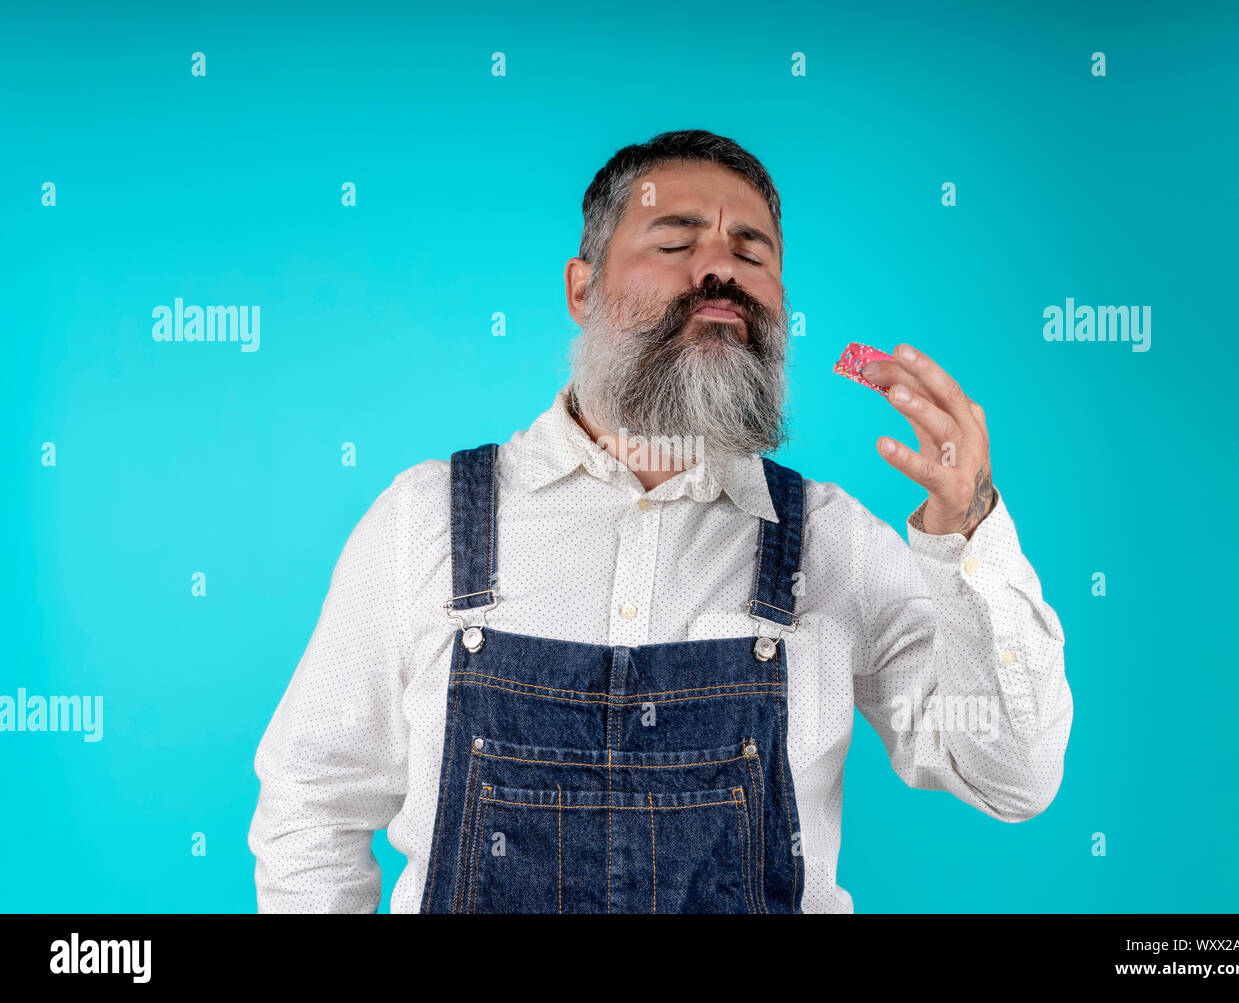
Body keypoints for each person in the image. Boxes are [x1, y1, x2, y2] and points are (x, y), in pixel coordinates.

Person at [247, 129, 1072, 914]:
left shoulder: (831, 540)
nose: (720, 270)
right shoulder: (424, 521)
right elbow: (311, 809)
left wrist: (967, 533)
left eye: (752, 252)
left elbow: (1011, 777)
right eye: (676, 243)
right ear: (582, 288)